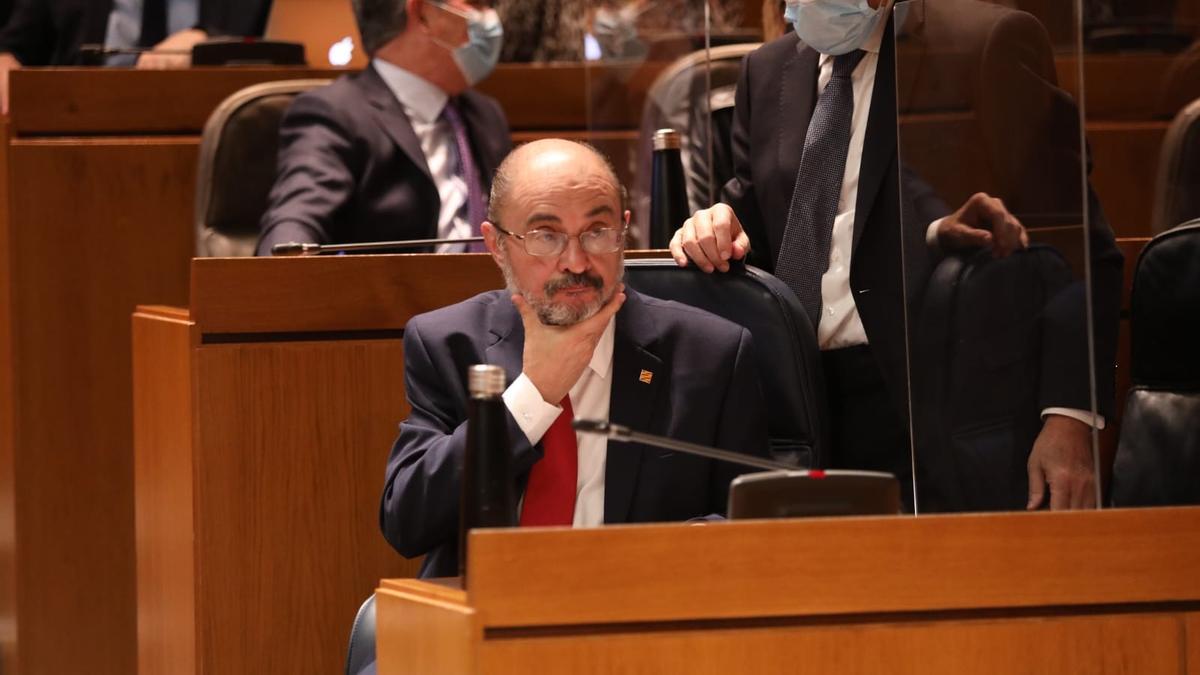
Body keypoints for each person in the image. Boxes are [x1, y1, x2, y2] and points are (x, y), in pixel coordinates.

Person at [670, 0, 1123, 511]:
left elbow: (1079, 244)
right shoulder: (768, 69)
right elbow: (757, 215)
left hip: (945, 403)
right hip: (806, 403)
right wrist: (713, 225)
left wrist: (1070, 418)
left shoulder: (985, 42)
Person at [380, 138, 770, 579]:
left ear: (623, 230)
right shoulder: (448, 343)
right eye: (546, 236)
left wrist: (655, 558)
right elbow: (406, 521)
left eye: (597, 231)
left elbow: (751, 522)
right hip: (489, 623)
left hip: (638, 618)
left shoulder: (709, 353)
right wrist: (533, 395)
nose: (576, 261)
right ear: (497, 245)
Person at [255, 0, 511, 255]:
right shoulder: (335, 113)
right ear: (423, 14)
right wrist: (280, 274)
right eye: (475, 2)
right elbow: (296, 220)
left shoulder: (485, 114)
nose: (489, 16)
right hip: (401, 292)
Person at [0, 0, 271, 112]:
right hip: (80, 122)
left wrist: (210, 42)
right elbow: (15, 46)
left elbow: (284, 52)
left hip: (208, 129)